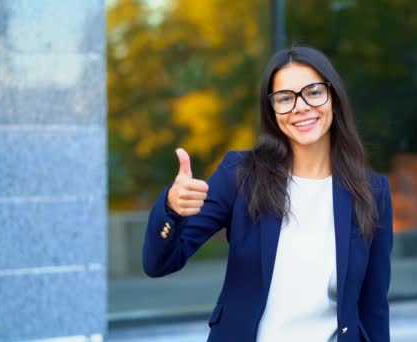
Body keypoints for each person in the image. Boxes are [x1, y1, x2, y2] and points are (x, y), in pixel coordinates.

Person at [143, 45, 393, 342]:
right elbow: (160, 263)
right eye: (285, 98)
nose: (300, 106)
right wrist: (172, 209)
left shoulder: (372, 191)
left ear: (334, 99)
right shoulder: (241, 174)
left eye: (313, 92)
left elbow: (373, 308)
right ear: (272, 111)